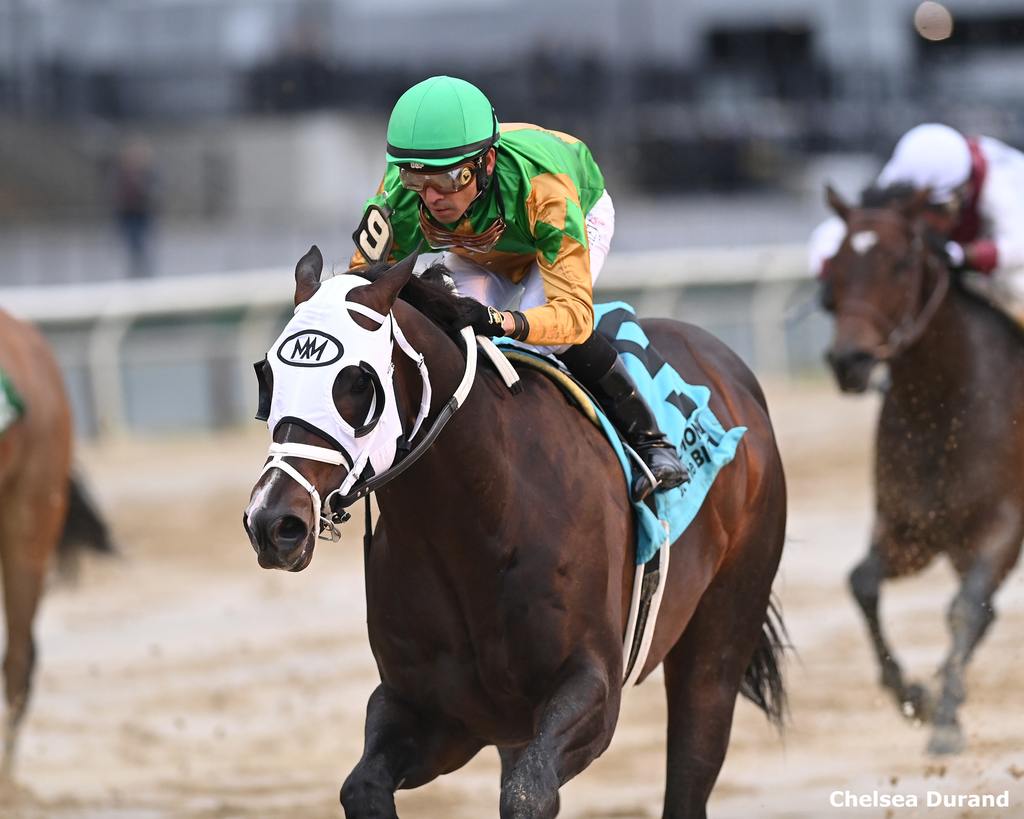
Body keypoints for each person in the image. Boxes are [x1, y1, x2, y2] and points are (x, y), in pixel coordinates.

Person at [349, 75, 687, 500]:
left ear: (487, 163)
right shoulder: (398, 193)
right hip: (482, 249)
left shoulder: (544, 189)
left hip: (571, 217)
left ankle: (651, 442)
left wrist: (500, 320)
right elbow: (361, 289)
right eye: (418, 181)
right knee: (453, 340)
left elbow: (574, 319)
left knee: (544, 343)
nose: (432, 197)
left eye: (450, 179)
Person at [809, 123, 1024, 317]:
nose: (922, 220)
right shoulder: (905, 174)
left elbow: (1018, 246)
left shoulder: (1002, 183)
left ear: (962, 193)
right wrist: (829, 262)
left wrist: (962, 255)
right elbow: (856, 224)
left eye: (933, 208)